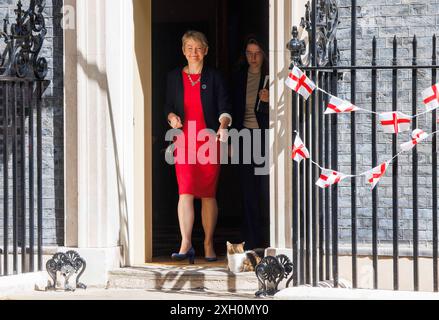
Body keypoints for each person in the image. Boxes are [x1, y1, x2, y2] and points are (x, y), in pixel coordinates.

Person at [164, 30, 232, 264]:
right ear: (183, 51)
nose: (194, 52)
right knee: (185, 192)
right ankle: (186, 243)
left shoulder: (214, 77)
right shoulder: (173, 77)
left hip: (208, 141)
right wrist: (171, 118)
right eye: (189, 48)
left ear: (206, 51)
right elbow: (168, 107)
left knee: (208, 194)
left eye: (198, 48)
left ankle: (208, 243)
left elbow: (225, 108)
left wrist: (223, 126)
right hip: (183, 141)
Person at [231, 36, 270, 251]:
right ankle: (251, 239)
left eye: (256, 53)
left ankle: (266, 237)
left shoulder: (270, 77)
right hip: (243, 137)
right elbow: (233, 108)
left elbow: (284, 111)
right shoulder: (238, 77)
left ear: (263, 54)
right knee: (247, 191)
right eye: (249, 53)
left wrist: (269, 101)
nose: (253, 58)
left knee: (264, 189)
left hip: (264, 137)